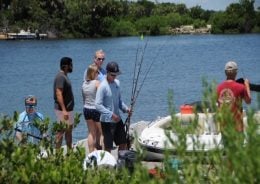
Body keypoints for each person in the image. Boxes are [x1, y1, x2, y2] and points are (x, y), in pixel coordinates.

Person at [95, 61, 131, 153]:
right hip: (107, 122)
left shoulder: (117, 83)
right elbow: (97, 105)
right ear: (107, 73)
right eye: (112, 75)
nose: (114, 77)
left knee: (123, 143)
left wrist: (126, 109)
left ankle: (120, 163)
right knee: (108, 147)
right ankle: (107, 165)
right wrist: (111, 115)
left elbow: (119, 101)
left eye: (116, 75)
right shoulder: (102, 86)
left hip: (118, 119)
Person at [217, 61, 251, 144]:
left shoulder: (218, 87)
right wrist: (247, 86)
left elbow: (218, 105)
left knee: (227, 153)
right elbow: (248, 101)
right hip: (237, 127)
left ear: (225, 73)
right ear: (236, 72)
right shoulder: (241, 87)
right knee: (237, 155)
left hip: (224, 127)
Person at [53, 57, 74, 149]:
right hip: (63, 110)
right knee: (60, 132)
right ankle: (57, 155)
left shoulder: (64, 76)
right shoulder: (60, 77)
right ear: (65, 66)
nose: (72, 67)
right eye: (71, 65)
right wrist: (64, 110)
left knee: (69, 131)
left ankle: (70, 153)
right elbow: (58, 93)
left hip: (68, 110)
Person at [82, 64, 102, 153]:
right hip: (95, 109)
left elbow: (84, 98)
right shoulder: (96, 83)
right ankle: (104, 152)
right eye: (97, 72)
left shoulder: (84, 84)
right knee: (103, 132)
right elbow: (102, 95)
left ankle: (91, 152)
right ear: (93, 73)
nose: (98, 74)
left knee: (91, 132)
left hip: (86, 109)